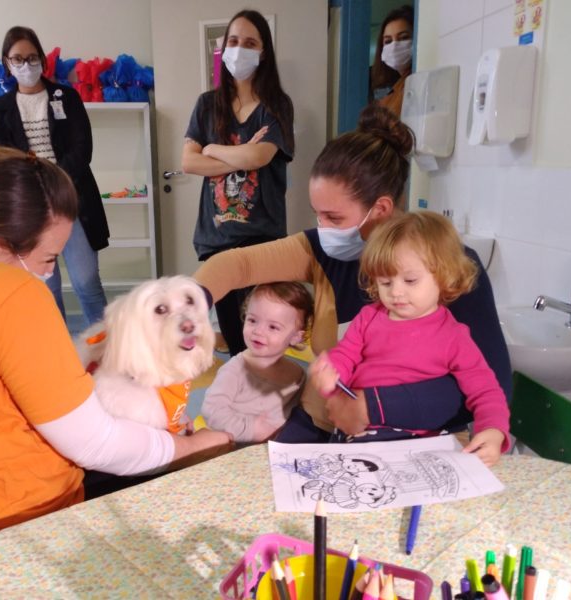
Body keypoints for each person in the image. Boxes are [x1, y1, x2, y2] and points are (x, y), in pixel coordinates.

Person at [0, 146, 231, 596]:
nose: (49, 274)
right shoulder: (10, 292)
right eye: (47, 259)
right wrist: (191, 445)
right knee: (197, 470)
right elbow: (95, 443)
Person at [194, 105, 512, 447]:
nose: (323, 228)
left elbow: (488, 384)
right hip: (323, 427)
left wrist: (373, 407)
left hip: (413, 438)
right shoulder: (321, 250)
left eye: (334, 218)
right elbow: (237, 265)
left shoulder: (448, 265)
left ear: (381, 210)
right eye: (318, 215)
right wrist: (186, 302)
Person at [309, 211, 510, 465]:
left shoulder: (454, 336)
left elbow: (486, 389)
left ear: (444, 275)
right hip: (357, 432)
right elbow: (345, 354)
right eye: (385, 282)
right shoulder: (369, 317)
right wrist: (331, 370)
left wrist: (493, 430)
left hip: (420, 442)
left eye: (410, 280)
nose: (396, 292)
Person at [182, 9, 295, 356]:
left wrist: (212, 148)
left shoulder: (276, 105)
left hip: (262, 237)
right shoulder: (207, 104)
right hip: (218, 237)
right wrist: (240, 154)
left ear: (264, 52)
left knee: (265, 335)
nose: (239, 49)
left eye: (249, 43)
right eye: (233, 41)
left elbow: (259, 157)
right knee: (235, 336)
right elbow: (188, 162)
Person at [0, 25, 109, 326]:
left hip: (72, 201)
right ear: (7, 63)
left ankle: (108, 348)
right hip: (31, 211)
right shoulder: (1, 107)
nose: (26, 65)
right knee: (46, 288)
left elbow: (82, 149)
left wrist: (54, 182)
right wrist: (34, 187)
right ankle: (55, 350)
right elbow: (1, 160)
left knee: (87, 282)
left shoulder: (66, 97)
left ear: (42, 59)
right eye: (18, 59)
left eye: (32, 57)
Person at [202, 282, 313, 443]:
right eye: (252, 320)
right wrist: (250, 430)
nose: (258, 331)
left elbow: (299, 414)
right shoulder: (235, 370)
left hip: (278, 448)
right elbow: (211, 411)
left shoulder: (297, 374)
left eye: (273, 327)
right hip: (237, 449)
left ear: (295, 337)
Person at [369, 4, 414, 117]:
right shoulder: (393, 84)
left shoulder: (416, 82)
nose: (394, 46)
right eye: (388, 41)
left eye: (403, 37)